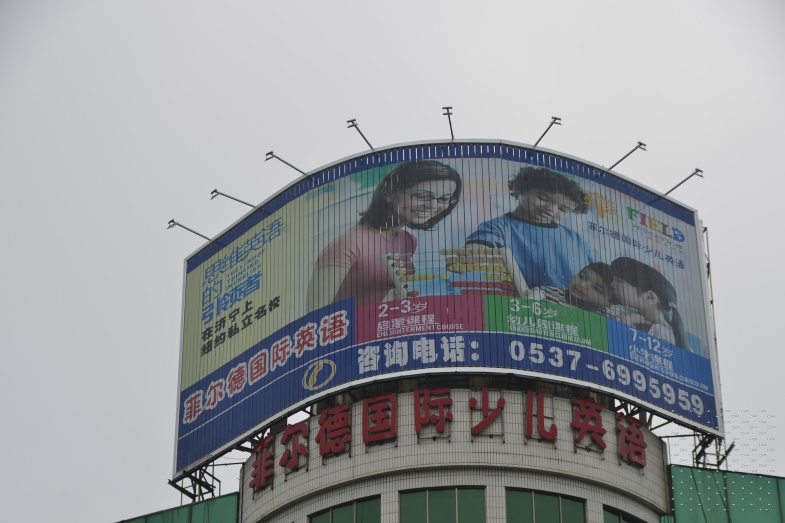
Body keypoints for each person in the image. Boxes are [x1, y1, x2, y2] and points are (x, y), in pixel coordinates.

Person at [306, 160, 462, 310]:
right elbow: (315, 313)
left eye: (444, 199)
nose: (433, 205)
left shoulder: (408, 240)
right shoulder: (350, 242)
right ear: (389, 194)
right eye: (421, 196)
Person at [447, 166, 594, 291]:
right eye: (543, 198)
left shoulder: (575, 238)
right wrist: (468, 255)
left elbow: (599, 274)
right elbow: (479, 245)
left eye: (563, 209)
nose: (551, 209)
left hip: (574, 309)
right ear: (520, 188)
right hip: (524, 306)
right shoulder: (499, 227)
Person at [609, 257, 687, 348]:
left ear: (650, 297)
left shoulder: (665, 337)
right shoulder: (621, 311)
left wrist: (625, 324)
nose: (612, 284)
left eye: (619, 281)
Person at [528, 262, 614, 314]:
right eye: (582, 276)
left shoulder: (608, 319)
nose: (582, 285)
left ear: (609, 303)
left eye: (597, 288)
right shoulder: (545, 294)